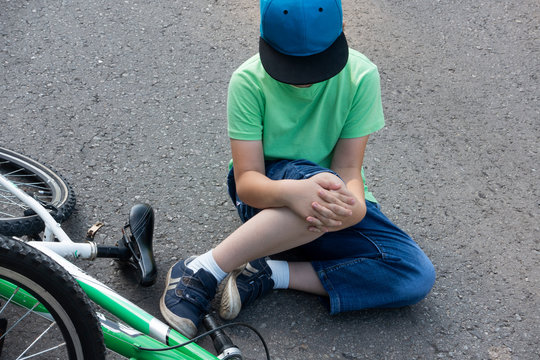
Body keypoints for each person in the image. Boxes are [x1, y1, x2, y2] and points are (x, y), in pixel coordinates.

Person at [160, 0, 436, 339]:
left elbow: (349, 166)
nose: (304, 81)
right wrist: (295, 192)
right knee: (323, 185)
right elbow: (246, 181)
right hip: (269, 191)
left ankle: (268, 273)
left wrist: (356, 206)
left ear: (342, 33)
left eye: (317, 67)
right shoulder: (248, 81)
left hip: (331, 195)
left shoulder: (362, 75)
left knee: (414, 274)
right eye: (291, 68)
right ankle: (201, 269)